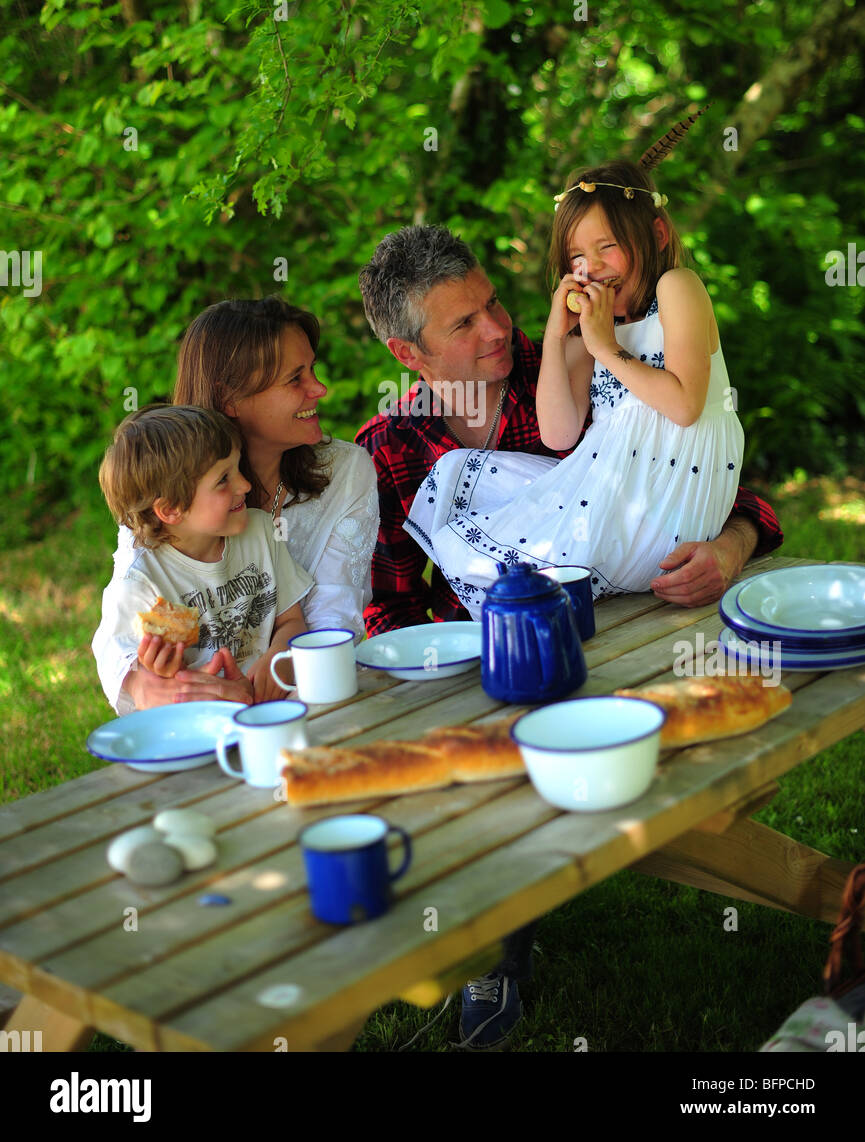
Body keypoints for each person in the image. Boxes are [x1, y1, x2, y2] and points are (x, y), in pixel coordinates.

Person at [355, 220, 783, 1051]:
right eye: (462, 325)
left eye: (491, 305)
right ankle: (492, 938)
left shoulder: (569, 367)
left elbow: (718, 483)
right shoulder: (392, 450)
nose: (496, 331)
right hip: (488, 677)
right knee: (469, 763)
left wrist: (728, 548)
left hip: (633, 648)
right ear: (410, 358)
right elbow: (389, 611)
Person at [404, 160, 745, 610]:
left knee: (525, 566)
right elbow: (558, 433)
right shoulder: (592, 331)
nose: (594, 266)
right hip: (615, 498)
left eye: (608, 246)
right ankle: (532, 598)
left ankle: (537, 591)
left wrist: (605, 348)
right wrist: (557, 333)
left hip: (663, 513)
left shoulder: (677, 287)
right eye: (578, 256)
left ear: (658, 235)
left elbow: (684, 406)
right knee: (455, 474)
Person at [99, 297, 379, 714]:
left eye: (313, 370)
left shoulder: (347, 472)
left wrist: (280, 670)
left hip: (305, 693)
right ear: (230, 400)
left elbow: (334, 618)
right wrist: (150, 680)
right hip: (202, 710)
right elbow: (121, 635)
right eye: (295, 379)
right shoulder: (164, 486)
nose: (319, 389)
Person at [92, 405, 312, 715]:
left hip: (274, 702)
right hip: (199, 717)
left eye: (238, 468)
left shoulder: (261, 532)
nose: (245, 485)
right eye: (224, 479)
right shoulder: (146, 580)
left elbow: (292, 621)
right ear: (170, 509)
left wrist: (280, 658)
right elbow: (135, 674)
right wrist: (163, 669)